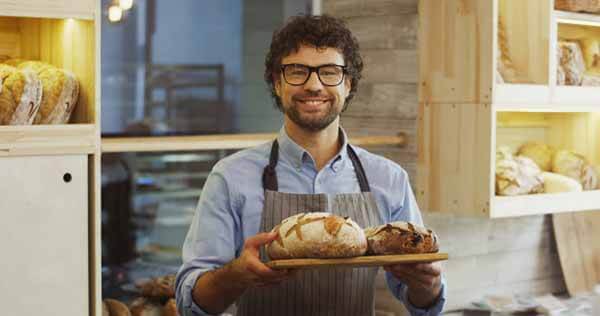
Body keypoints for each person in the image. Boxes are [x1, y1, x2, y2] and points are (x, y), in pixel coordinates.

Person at [175, 14, 446, 316]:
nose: (314, 85)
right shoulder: (230, 177)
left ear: (348, 84)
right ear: (277, 83)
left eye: (329, 72)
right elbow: (191, 304)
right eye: (297, 71)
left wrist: (428, 285)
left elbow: (423, 305)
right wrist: (236, 274)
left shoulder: (389, 178)